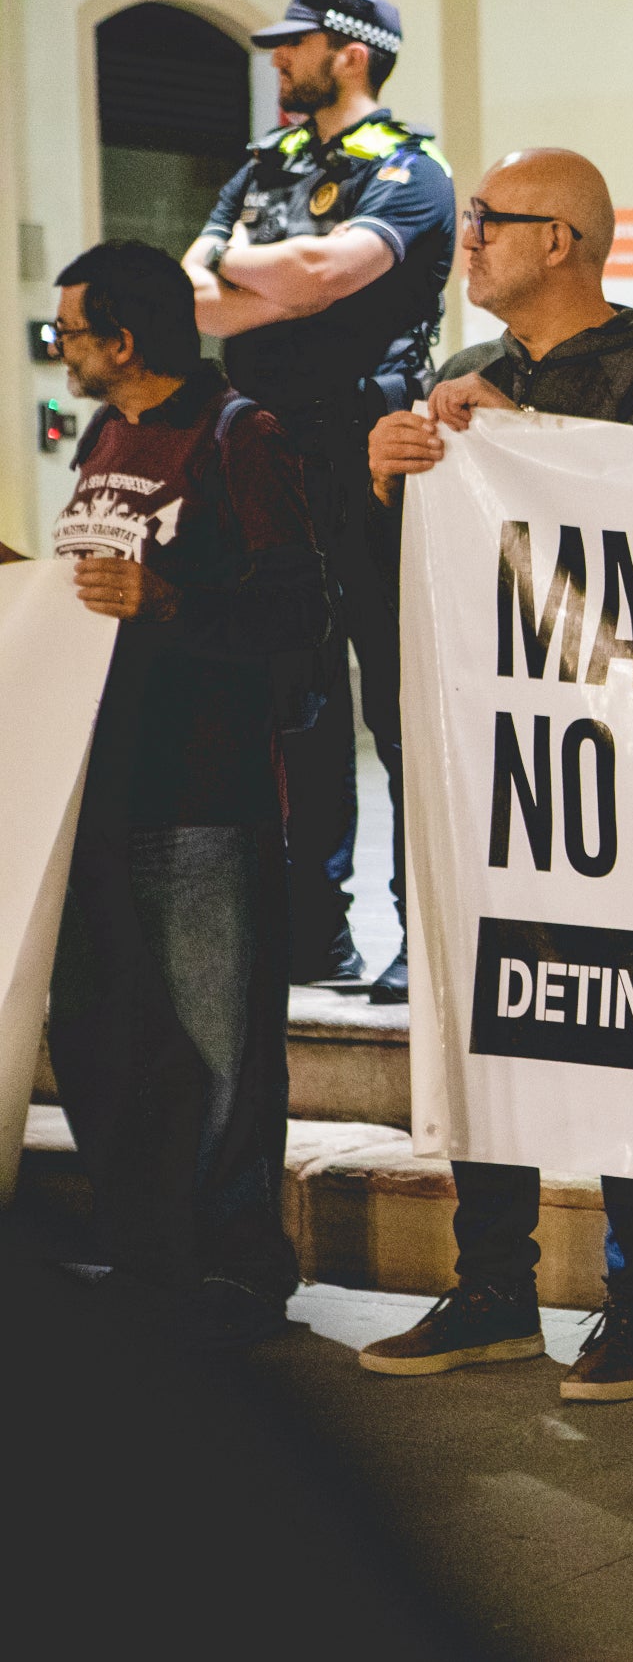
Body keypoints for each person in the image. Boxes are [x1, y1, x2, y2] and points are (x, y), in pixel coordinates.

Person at [354, 149, 633, 1404]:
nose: (471, 240)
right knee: (484, 1010)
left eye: (492, 222)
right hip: (481, 748)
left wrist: (519, 438)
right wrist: (391, 465)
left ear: (562, 240)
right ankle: (493, 1287)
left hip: (607, 758)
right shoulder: (458, 372)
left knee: (624, 1014)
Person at [31, 243, 328, 1347]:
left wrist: (168, 603)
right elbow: (86, 596)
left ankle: (242, 1272)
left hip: (204, 795)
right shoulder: (109, 437)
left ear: (126, 341)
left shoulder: (236, 435)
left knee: (217, 1052)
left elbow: (297, 620)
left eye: (69, 330)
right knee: (106, 1042)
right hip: (101, 795)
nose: (58, 347)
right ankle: (151, 1257)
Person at [185, 0, 456, 1002]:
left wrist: (251, 268)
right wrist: (272, 275)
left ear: (348, 56)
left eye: (290, 45)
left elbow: (320, 271)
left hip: (367, 447)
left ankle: (420, 934)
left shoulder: (409, 171)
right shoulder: (264, 164)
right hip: (264, 448)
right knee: (289, 700)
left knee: (395, 695)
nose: (276, 63)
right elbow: (192, 293)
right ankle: (312, 931)